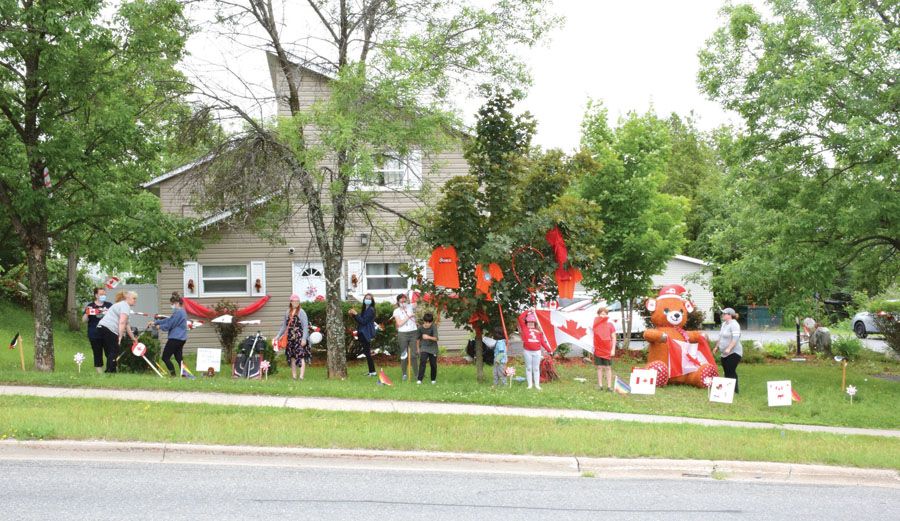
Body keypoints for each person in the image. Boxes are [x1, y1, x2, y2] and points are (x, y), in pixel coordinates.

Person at [96, 291, 138, 373]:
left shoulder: (121, 305)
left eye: (136, 299)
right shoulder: (125, 306)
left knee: (111, 351)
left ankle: (111, 370)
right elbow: (122, 322)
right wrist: (120, 337)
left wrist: (133, 338)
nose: (135, 300)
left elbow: (126, 325)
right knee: (114, 350)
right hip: (109, 329)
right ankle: (110, 372)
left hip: (101, 328)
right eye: (134, 298)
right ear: (127, 298)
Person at [150, 292, 188, 376]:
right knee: (179, 358)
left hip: (175, 338)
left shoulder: (178, 313)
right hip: (181, 339)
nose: (171, 306)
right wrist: (156, 322)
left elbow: (170, 324)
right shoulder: (181, 312)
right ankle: (185, 375)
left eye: (172, 304)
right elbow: (168, 320)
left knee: (165, 357)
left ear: (177, 303)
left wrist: (159, 327)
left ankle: (173, 375)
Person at [276, 294, 310, 380]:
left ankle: (301, 377)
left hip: (299, 336)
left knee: (300, 356)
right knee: (292, 357)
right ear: (291, 302)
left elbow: (305, 326)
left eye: (297, 301)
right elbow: (284, 326)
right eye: (294, 301)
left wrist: (304, 339)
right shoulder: (287, 312)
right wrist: (278, 336)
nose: (296, 303)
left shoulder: (302, 312)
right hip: (290, 337)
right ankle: (294, 377)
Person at [517, 311, 550, 390]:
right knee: (528, 368)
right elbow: (520, 318)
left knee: (536, 368)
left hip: (537, 352)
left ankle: (537, 385)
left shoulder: (539, 331)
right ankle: (530, 385)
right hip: (527, 351)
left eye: (532, 322)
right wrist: (528, 311)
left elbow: (542, 342)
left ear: (535, 323)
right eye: (529, 322)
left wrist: (549, 350)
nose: (530, 324)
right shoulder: (524, 328)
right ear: (526, 322)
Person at [82, 287, 112, 373]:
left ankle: (111, 370)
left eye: (104, 294)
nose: (103, 296)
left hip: (108, 333)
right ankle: (100, 373)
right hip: (94, 334)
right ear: (96, 295)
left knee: (110, 352)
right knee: (97, 353)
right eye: (101, 294)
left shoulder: (109, 305)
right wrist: (87, 313)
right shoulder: (90, 306)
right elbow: (84, 320)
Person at [349, 293, 377, 376]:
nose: (367, 300)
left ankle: (373, 372)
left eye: (369, 298)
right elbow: (360, 320)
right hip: (363, 332)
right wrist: (353, 315)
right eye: (366, 298)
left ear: (371, 301)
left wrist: (356, 314)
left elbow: (363, 321)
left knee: (367, 353)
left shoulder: (371, 310)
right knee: (366, 352)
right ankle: (371, 371)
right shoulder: (365, 309)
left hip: (366, 333)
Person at [716, 307, 742, 393]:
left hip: (734, 352)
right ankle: (727, 390)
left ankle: (734, 391)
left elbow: (735, 338)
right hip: (724, 353)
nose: (722, 315)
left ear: (730, 315)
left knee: (730, 371)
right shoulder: (724, 324)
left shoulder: (734, 324)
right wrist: (716, 347)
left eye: (724, 314)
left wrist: (729, 348)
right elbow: (720, 337)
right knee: (726, 371)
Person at [393, 293, 417, 381]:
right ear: (398, 302)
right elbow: (399, 324)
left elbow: (418, 300)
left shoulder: (410, 306)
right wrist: (409, 316)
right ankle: (404, 374)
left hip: (413, 332)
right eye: (401, 301)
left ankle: (416, 374)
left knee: (414, 354)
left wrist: (416, 291)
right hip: (402, 334)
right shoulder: (396, 311)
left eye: (405, 300)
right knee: (404, 354)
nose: (403, 302)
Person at [593, 305, 617, 391]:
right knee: (599, 367)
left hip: (607, 349)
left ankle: (609, 386)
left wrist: (613, 349)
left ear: (607, 315)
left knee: (608, 367)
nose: (603, 316)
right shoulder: (595, 325)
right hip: (598, 349)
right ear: (598, 315)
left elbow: (614, 337)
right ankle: (600, 385)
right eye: (601, 314)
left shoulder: (610, 325)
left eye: (604, 314)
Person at [416, 312, 439, 384]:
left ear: (431, 322)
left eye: (429, 322)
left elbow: (436, 339)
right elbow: (417, 339)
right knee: (422, 362)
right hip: (424, 347)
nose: (427, 324)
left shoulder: (433, 327)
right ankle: (419, 379)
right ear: (424, 321)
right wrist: (418, 349)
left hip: (433, 347)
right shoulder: (420, 328)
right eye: (426, 322)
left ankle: (433, 379)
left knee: (433, 364)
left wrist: (428, 337)